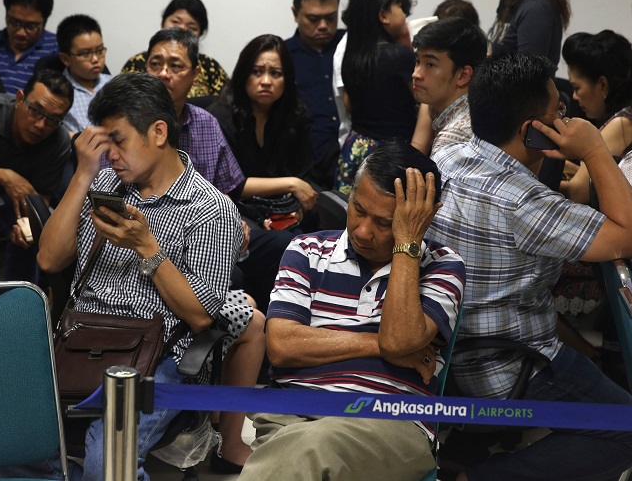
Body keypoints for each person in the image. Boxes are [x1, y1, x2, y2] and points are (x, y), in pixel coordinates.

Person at [426, 52, 632, 480]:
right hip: (510, 363)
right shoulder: (523, 202)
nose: (565, 116)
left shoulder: (446, 159)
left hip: (446, 356)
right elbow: (626, 233)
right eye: (558, 110)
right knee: (625, 429)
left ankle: (464, 449)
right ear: (532, 131)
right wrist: (594, 148)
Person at [37, 73, 242, 481]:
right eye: (103, 142)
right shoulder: (103, 182)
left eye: (118, 140)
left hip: (161, 353)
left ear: (159, 132)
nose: (110, 154)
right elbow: (48, 259)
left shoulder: (209, 209)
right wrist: (82, 174)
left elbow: (201, 316)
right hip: (82, 340)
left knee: (105, 466)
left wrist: (147, 246)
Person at [239, 141, 464, 481]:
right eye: (358, 209)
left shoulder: (443, 266)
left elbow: (399, 340)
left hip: (389, 422)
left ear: (421, 219)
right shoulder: (307, 250)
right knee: (307, 448)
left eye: (386, 223)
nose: (362, 231)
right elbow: (282, 346)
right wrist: (376, 345)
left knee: (316, 447)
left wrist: (406, 245)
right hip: (295, 415)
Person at [143, 27, 267, 471]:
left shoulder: (205, 124)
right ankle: (216, 425)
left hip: (198, 262)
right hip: (143, 281)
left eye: (175, 66)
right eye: (155, 63)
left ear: (194, 74)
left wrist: (230, 216)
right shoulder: (124, 132)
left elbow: (227, 190)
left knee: (250, 307)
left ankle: (225, 433)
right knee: (248, 317)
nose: (163, 74)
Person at [0, 70, 72, 283]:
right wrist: (4, 176)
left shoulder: (58, 141)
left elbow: (40, 199)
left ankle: (20, 306)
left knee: (31, 238)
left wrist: (27, 226)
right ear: (20, 99)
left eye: (52, 119)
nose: (41, 125)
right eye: (35, 111)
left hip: (14, 206)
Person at [209, 34, 318, 231]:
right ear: (244, 75)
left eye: (275, 73)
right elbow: (231, 185)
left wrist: (296, 209)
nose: (266, 81)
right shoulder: (221, 116)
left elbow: (303, 172)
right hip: (235, 208)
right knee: (283, 243)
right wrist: (291, 184)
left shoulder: (295, 114)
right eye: (257, 72)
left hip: (281, 206)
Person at [335, 0, 417, 195]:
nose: (405, 13)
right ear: (383, 16)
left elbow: (349, 104)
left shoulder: (352, 58)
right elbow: (423, 100)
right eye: (399, 6)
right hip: (389, 156)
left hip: (356, 149)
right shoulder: (399, 56)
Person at [285, 0, 346, 187]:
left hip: (357, 158)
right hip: (305, 170)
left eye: (330, 17)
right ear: (295, 14)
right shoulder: (281, 57)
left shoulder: (353, 46)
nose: (323, 25)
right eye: (313, 19)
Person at [559, 30, 632, 203]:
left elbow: (578, 192)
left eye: (577, 88)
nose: (575, 97)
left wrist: (529, 179)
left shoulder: (621, 124)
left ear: (602, 85)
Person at [122, 0, 229, 98]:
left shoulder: (210, 66)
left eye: (192, 27)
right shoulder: (137, 62)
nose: (182, 29)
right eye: (175, 22)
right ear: (163, 23)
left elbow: (227, 101)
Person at [409, 18, 488, 155]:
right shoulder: (476, 101)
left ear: (463, 75)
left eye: (430, 65)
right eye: (417, 61)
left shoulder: (454, 139)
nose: (416, 74)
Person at [56, 14, 113, 135]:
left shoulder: (114, 84)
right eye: (85, 54)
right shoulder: (57, 92)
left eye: (99, 51)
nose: (95, 59)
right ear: (65, 59)